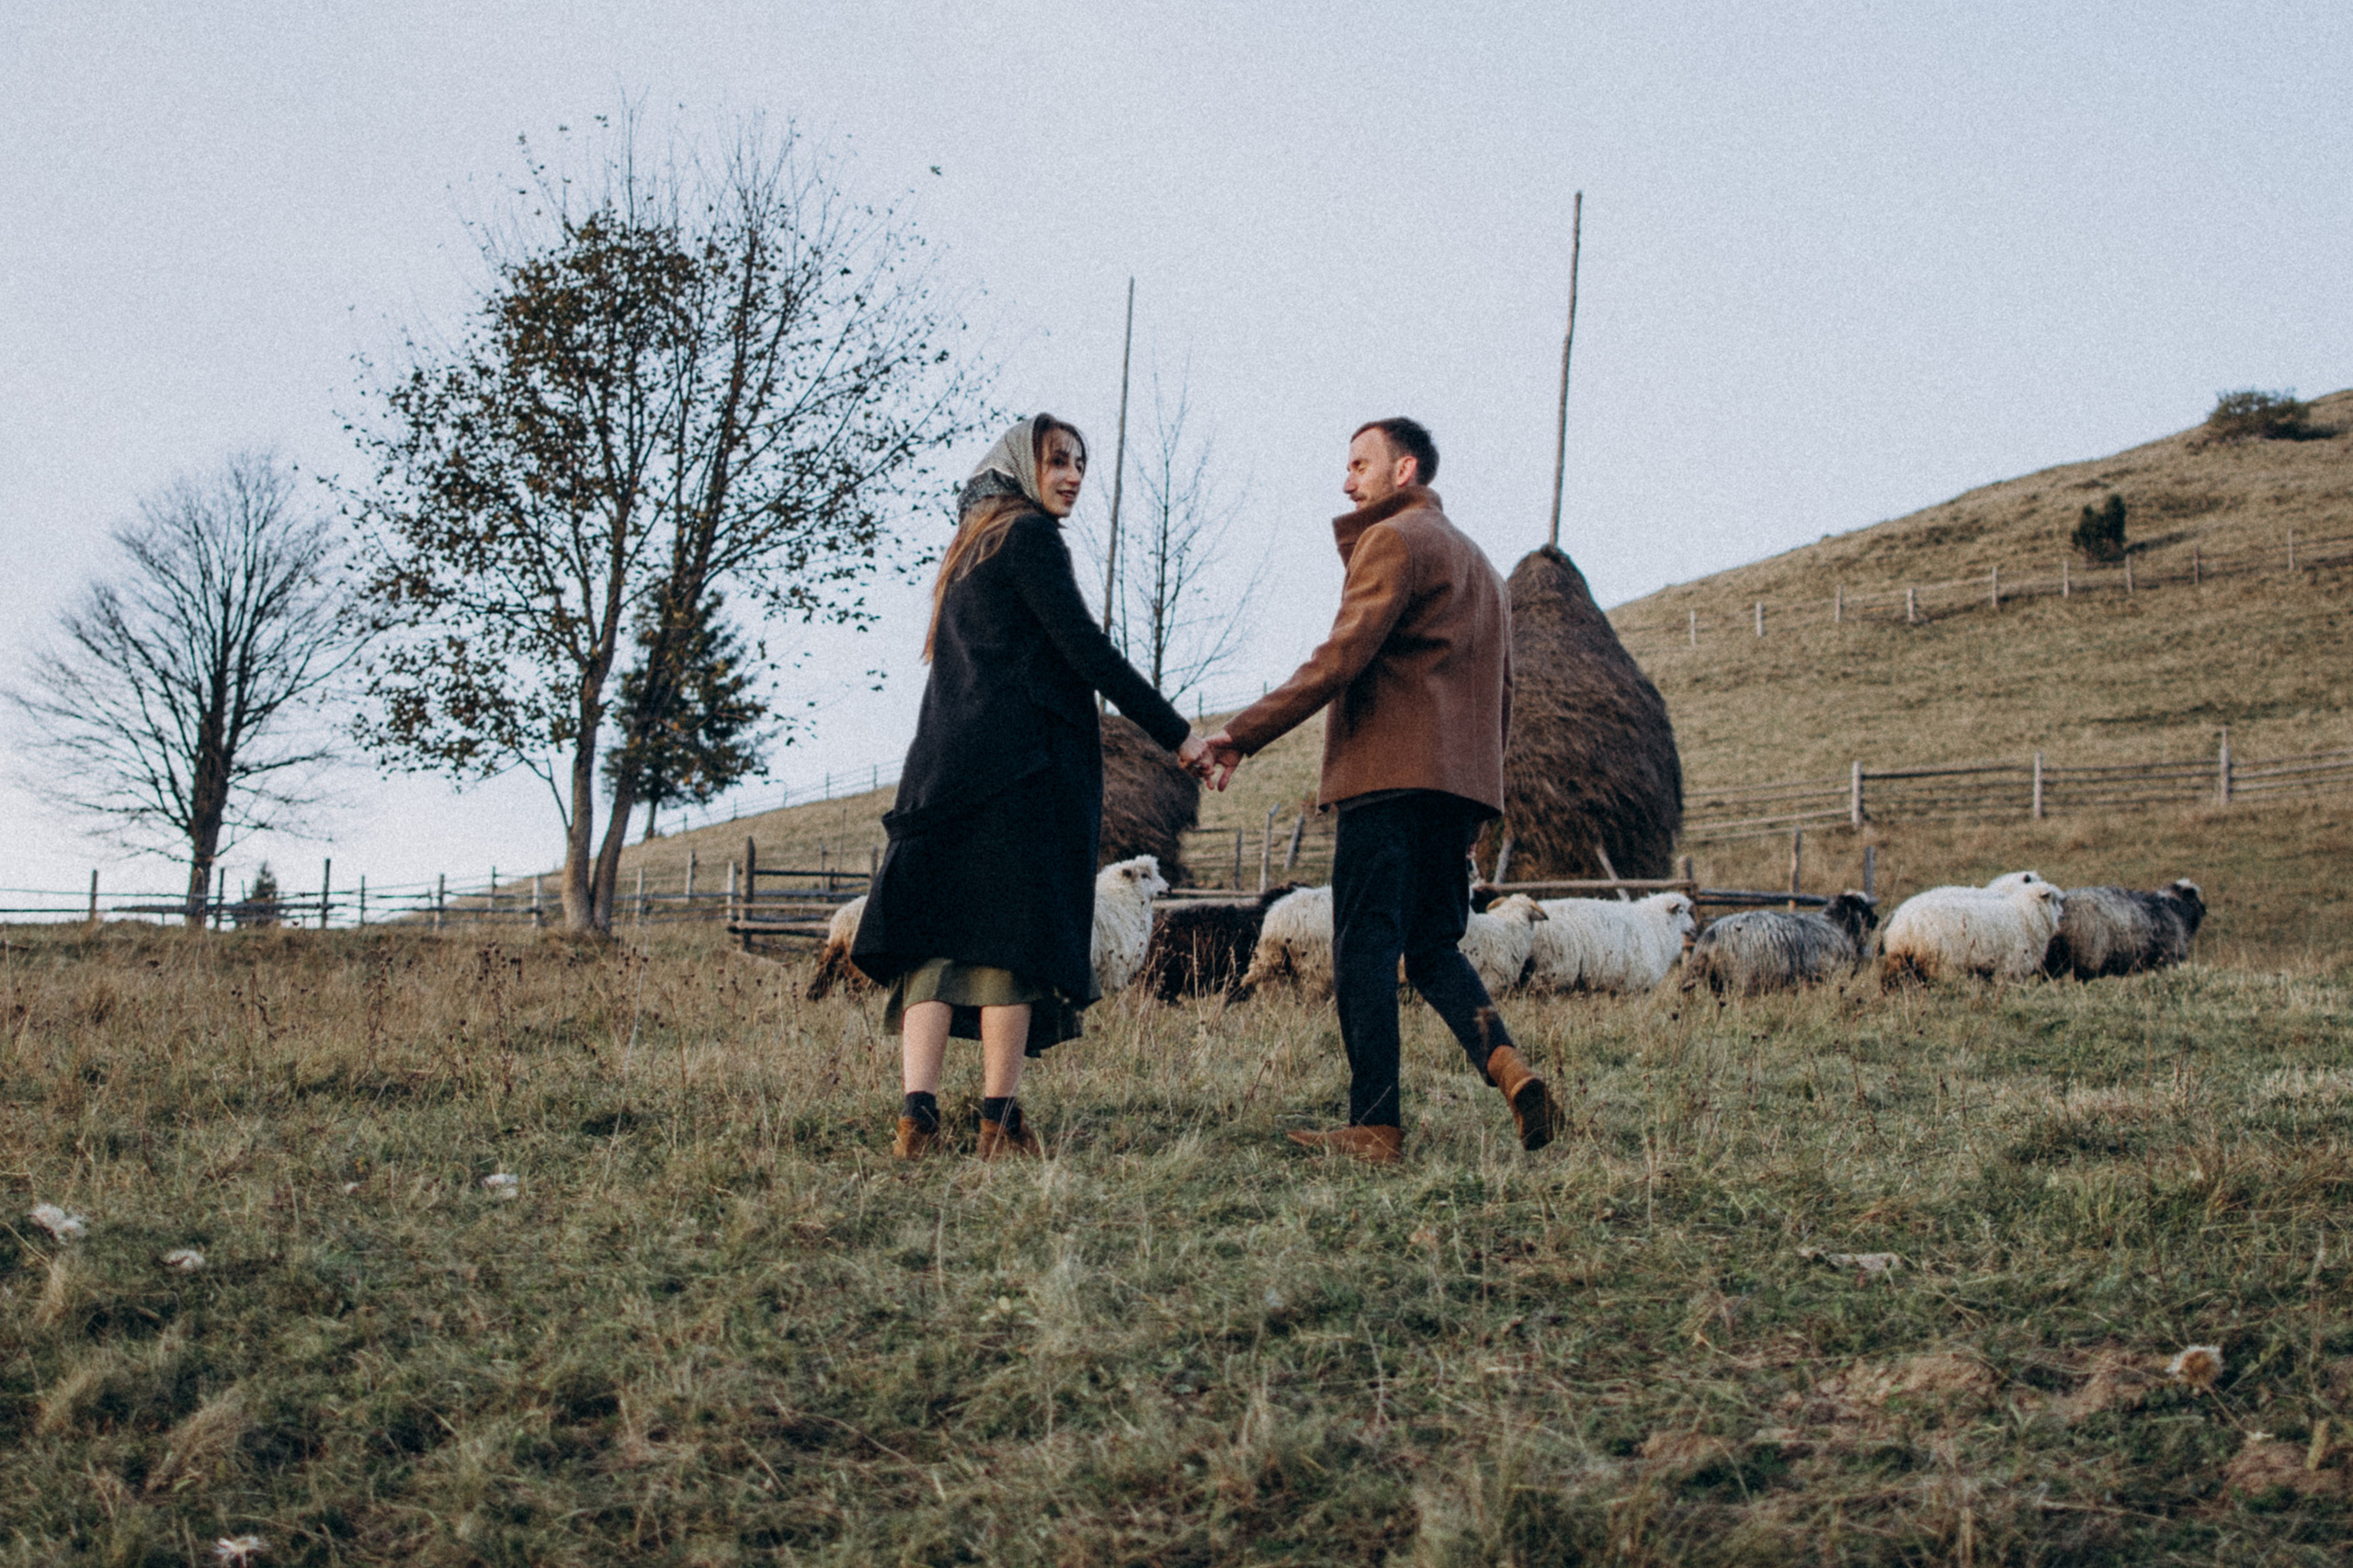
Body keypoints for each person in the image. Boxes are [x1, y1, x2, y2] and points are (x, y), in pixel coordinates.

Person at [1199, 418, 1561, 1164]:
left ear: (1405, 470)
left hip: (1386, 780)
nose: (1346, 479)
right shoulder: (1486, 569)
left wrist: (1242, 735)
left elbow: (1341, 657)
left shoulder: (1393, 541)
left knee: (1363, 944)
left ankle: (1375, 1124)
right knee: (1432, 946)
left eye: (1359, 463)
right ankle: (1509, 1066)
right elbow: (1503, 693)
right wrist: (1476, 806)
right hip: (1455, 788)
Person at [853, 414, 1209, 1160]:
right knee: (1008, 947)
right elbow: (1086, 650)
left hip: (945, 773)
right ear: (1023, 464)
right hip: (1017, 776)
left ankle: (916, 1118)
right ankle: (998, 1121)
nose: (1073, 476)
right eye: (1058, 461)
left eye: (1081, 463)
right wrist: (1179, 735)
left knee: (936, 947)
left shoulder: (969, 548)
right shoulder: (1029, 537)